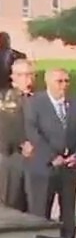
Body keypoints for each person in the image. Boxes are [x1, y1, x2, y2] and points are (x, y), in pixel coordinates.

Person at [24, 67, 76, 237]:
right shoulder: (35, 103)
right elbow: (33, 132)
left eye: (67, 81)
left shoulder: (75, 103)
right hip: (45, 168)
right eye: (59, 81)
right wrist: (52, 157)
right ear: (48, 82)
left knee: (68, 214)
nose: (64, 85)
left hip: (70, 167)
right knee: (41, 214)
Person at [0, 58, 34, 211]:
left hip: (35, 158)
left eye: (29, 75)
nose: (27, 79)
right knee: (11, 202)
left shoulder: (38, 99)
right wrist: (22, 142)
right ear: (13, 77)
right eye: (21, 75)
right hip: (11, 155)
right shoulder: (4, 98)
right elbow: (7, 126)